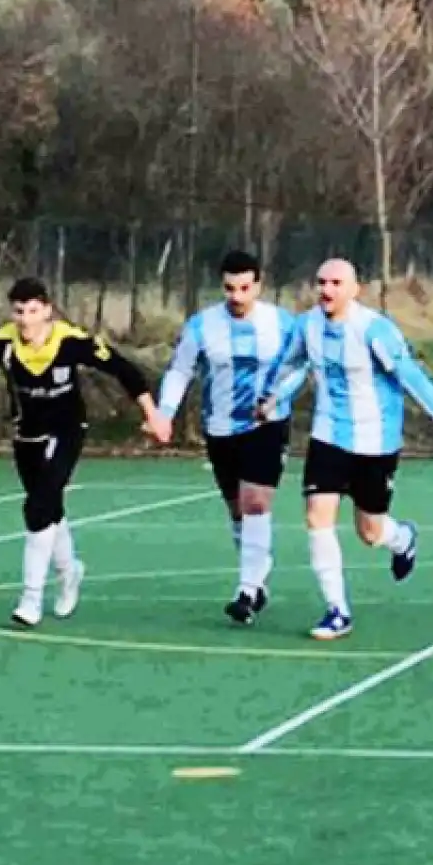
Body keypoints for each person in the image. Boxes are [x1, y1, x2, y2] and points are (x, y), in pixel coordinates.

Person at [255, 257, 433, 641]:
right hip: (328, 436)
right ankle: (337, 610)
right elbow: (289, 366)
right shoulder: (307, 326)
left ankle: (402, 538)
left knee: (369, 532)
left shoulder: (375, 330)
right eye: (321, 282)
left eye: (336, 282)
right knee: (316, 516)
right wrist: (269, 398)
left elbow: (413, 379)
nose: (326, 290)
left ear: (354, 289)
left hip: (376, 442)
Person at [0, 276, 162, 628]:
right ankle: (70, 572)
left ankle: (30, 599)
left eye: (33, 311)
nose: (25, 319)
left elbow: (121, 368)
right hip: (27, 436)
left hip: (67, 431)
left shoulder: (69, 341)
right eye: (19, 311)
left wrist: (152, 414)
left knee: (37, 507)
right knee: (48, 508)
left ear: (47, 311)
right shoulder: (2, 344)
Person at [151, 250, 302, 626]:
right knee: (237, 510)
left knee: (255, 502)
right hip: (219, 427)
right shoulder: (202, 326)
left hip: (266, 425)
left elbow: (301, 368)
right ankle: (258, 573)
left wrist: (276, 399)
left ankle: (247, 590)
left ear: (259, 286)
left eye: (245, 288)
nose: (237, 296)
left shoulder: (282, 324)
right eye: (230, 288)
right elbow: (180, 370)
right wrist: (164, 413)